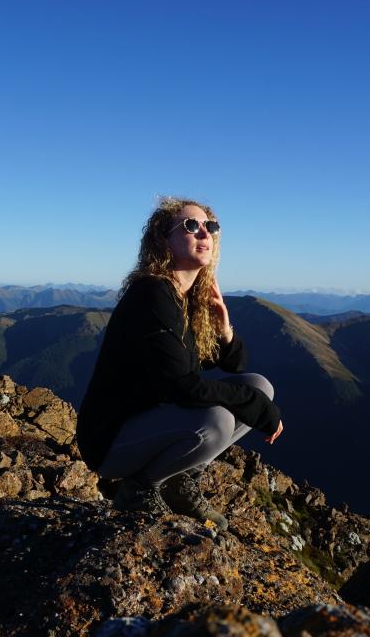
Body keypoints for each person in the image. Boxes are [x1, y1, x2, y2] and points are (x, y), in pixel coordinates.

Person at [76, 197, 284, 529]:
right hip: (110, 440)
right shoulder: (152, 294)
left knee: (260, 386)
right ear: (162, 239)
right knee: (217, 420)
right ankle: (139, 488)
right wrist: (258, 409)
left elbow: (234, 365)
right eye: (191, 225)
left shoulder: (186, 300)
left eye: (211, 227)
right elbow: (183, 385)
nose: (205, 233)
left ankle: (180, 481)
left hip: (153, 420)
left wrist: (224, 326)